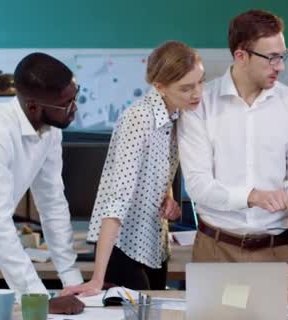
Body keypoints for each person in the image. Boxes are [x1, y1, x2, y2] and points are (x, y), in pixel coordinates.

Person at [177, 9, 288, 290]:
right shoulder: (201, 104)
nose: (280, 66)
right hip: (216, 251)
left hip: (276, 253)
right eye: (271, 57)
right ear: (241, 56)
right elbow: (197, 185)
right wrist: (252, 196)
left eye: (283, 56)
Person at [60, 41, 204, 297]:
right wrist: (97, 279)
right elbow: (116, 200)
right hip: (123, 246)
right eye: (186, 88)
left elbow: (157, 167)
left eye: (200, 82)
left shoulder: (176, 115)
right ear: (159, 87)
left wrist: (168, 196)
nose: (197, 94)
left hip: (154, 244)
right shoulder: (139, 118)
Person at [0, 52, 85, 316]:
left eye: (75, 97)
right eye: (66, 104)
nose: (75, 108)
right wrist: (38, 299)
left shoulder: (49, 132)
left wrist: (72, 280)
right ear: (33, 106)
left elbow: (52, 204)